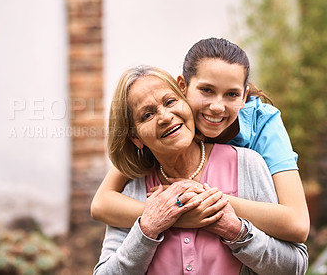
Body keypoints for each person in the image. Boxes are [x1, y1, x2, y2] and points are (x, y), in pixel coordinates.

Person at [91, 38, 309, 243]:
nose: (216, 106)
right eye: (206, 90)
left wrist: (202, 200)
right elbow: (101, 204)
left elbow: (297, 224)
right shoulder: (173, 124)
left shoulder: (263, 124)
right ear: (182, 86)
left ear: (244, 96)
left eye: (231, 94)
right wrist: (175, 216)